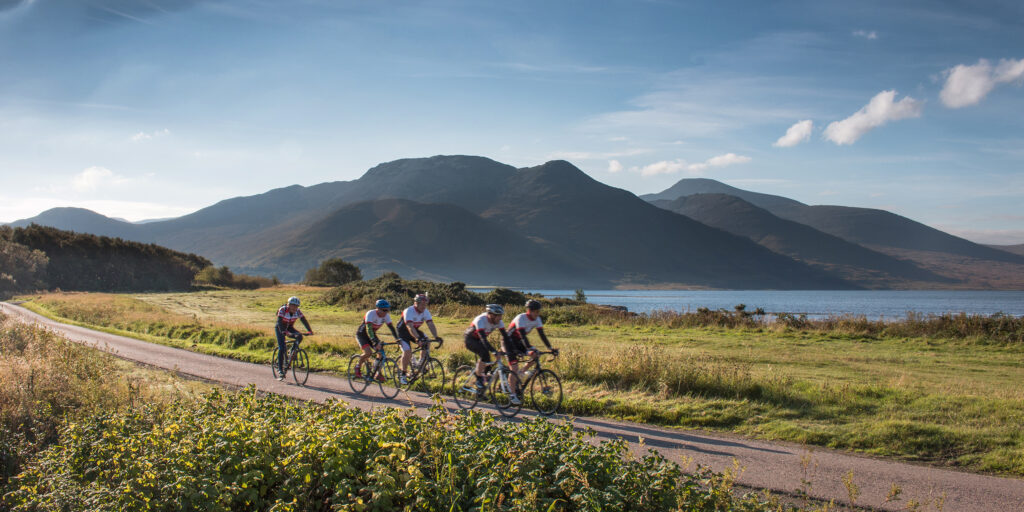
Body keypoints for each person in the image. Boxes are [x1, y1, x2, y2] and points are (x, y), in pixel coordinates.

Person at [505, 299, 559, 403]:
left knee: (536, 355)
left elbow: (542, 335)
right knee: (514, 367)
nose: (538, 314)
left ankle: (521, 372)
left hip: (519, 342)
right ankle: (512, 395)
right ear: (529, 311)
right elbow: (522, 336)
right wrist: (529, 349)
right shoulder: (521, 318)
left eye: (539, 311)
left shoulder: (537, 319)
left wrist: (550, 348)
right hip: (508, 342)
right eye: (536, 311)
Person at [463, 303, 513, 397]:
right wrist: (494, 351)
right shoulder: (481, 320)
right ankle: (478, 379)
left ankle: (481, 389)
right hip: (470, 339)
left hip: (480, 340)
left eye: (501, 316)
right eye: (499, 316)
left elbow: (505, 337)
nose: (500, 318)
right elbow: (483, 339)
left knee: (489, 362)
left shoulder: (499, 322)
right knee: (485, 354)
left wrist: (510, 349)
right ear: (491, 315)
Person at [396, 293, 442, 385]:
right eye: (422, 304)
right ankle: (403, 374)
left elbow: (430, 324)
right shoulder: (409, 311)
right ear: (416, 303)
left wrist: (436, 337)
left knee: (427, 341)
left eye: (425, 304)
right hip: (403, 332)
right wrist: (417, 339)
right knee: (407, 352)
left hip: (415, 330)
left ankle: (420, 364)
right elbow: (410, 327)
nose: (424, 306)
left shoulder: (425, 311)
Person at [353, 299, 400, 380]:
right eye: (384, 310)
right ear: (378, 309)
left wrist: (397, 339)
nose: (386, 312)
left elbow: (391, 328)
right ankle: (358, 367)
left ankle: (377, 372)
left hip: (372, 335)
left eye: (387, 310)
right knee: (368, 352)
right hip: (362, 335)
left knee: (381, 353)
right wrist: (374, 341)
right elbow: (369, 329)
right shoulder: (371, 314)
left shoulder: (386, 316)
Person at [275, 296, 313, 380]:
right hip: (280, 328)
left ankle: (292, 352)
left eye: (296, 306)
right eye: (292, 305)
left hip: (290, 327)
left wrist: (309, 331)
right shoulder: (283, 309)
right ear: (288, 305)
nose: (294, 308)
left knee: (299, 336)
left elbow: (304, 320)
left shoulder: (298, 311)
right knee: (281, 348)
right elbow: (279, 321)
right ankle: (280, 369)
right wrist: (284, 332)